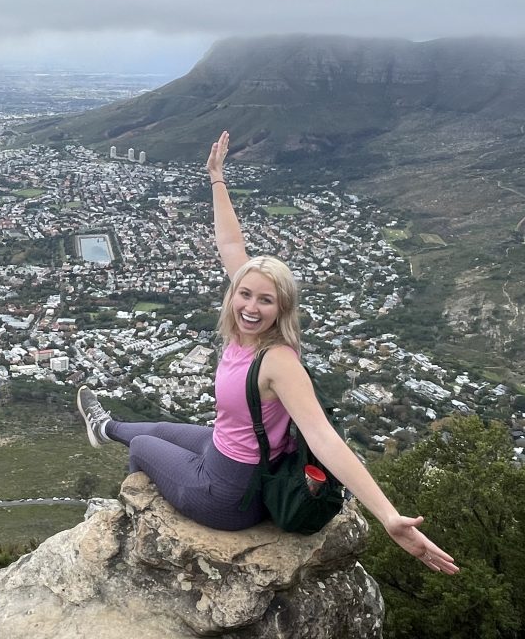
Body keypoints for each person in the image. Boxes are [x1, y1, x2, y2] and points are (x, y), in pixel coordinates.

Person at [77, 130, 458, 574]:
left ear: (282, 309)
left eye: (266, 300)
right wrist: (217, 178)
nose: (251, 307)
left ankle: (130, 523)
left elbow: (324, 438)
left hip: (229, 495)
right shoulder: (244, 327)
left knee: (143, 446)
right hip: (228, 454)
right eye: (246, 294)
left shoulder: (277, 360)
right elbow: (231, 245)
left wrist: (388, 515)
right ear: (234, 294)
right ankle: (104, 427)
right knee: (161, 427)